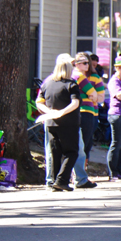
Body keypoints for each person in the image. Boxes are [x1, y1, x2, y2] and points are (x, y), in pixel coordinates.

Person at [37, 54, 82, 192]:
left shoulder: (47, 84)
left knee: (55, 153)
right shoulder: (71, 84)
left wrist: (50, 112)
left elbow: (39, 102)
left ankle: (54, 181)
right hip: (68, 123)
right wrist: (62, 112)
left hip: (51, 122)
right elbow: (75, 103)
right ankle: (61, 180)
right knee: (71, 152)